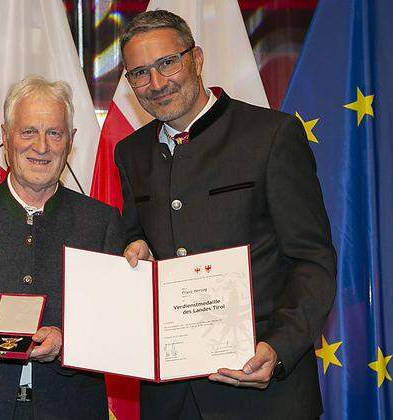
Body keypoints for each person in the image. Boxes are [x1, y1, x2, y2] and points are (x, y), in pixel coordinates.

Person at [115, 10, 337, 420]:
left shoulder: (271, 136)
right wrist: (135, 247)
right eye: (140, 73)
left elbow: (312, 260)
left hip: (263, 391)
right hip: (170, 399)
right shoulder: (130, 153)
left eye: (168, 63)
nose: (157, 83)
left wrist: (279, 347)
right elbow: (133, 235)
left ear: (196, 59)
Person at [0, 75, 123, 419]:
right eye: (28, 132)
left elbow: (116, 327)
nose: (41, 146)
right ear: (5, 137)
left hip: (70, 408)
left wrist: (66, 343)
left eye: (54, 133)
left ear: (71, 141)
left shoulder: (101, 223)